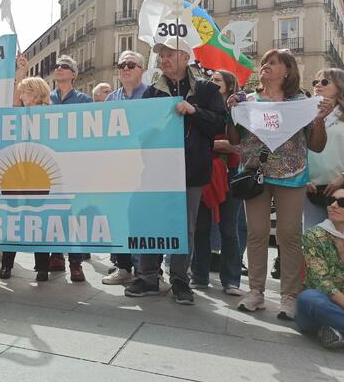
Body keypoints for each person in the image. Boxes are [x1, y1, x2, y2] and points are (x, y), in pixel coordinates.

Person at [227, 48, 332, 319]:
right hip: (255, 176)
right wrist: (231, 112)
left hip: (292, 176)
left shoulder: (302, 102)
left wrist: (319, 121)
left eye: (273, 63)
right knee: (256, 233)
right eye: (264, 63)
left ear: (288, 70)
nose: (265, 66)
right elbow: (235, 140)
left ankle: (289, 297)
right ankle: (256, 293)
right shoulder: (247, 100)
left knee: (289, 235)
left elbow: (317, 146)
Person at [124, 36, 226, 305]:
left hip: (191, 171)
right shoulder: (152, 92)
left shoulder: (206, 90)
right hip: (155, 172)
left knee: (185, 227)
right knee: (150, 222)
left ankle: (180, 279)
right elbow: (141, 130)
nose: (163, 59)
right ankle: (147, 276)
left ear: (185, 57)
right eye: (161, 55)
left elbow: (219, 124)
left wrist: (194, 111)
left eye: (169, 54)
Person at [296, 184, 344, 350]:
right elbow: (326, 287)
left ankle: (339, 331)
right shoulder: (314, 236)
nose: (333, 205)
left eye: (343, 202)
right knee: (308, 297)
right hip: (318, 308)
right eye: (331, 200)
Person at [191, 70, 243, 296]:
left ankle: (231, 280)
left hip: (230, 174)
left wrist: (219, 144)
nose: (212, 84)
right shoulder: (202, 107)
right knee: (200, 227)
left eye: (217, 81)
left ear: (230, 86)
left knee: (229, 229)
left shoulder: (239, 111)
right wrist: (215, 144)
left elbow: (240, 144)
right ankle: (199, 276)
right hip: (203, 171)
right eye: (210, 80)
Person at [0, 77, 57, 281]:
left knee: (39, 219)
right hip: (18, 168)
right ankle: (6, 264)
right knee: (14, 218)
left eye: (24, 92)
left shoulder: (51, 115)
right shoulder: (17, 114)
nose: (21, 96)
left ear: (34, 93)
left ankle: (42, 267)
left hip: (41, 171)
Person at [101, 51, 147, 285]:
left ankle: (147, 270)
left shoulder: (151, 95)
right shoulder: (112, 99)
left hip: (144, 168)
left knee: (141, 219)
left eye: (131, 64)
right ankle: (123, 266)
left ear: (142, 69)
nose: (125, 68)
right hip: (118, 168)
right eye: (121, 65)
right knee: (119, 218)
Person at [47, 55, 92, 281]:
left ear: (73, 74)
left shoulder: (84, 101)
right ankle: (56, 256)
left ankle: (76, 262)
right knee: (54, 211)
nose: (59, 69)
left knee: (74, 213)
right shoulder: (47, 99)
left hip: (75, 163)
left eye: (64, 67)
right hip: (49, 164)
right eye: (57, 67)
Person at [304, 69, 344, 230]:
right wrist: (304, 178)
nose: (318, 85)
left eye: (325, 81)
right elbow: (298, 149)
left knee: (343, 239)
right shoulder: (306, 114)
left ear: (340, 86)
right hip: (310, 190)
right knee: (312, 239)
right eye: (316, 82)